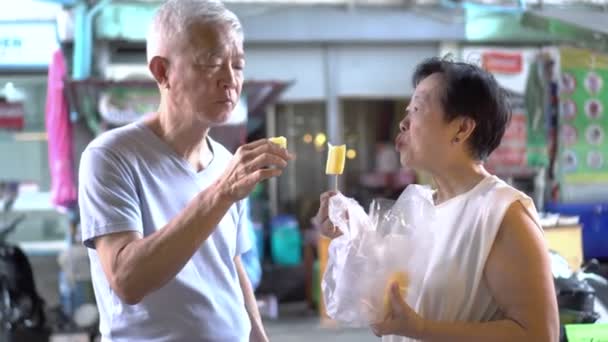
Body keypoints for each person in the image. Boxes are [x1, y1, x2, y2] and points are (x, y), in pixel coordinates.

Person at [78, 1, 293, 341]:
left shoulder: (224, 161)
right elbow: (127, 280)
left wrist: (259, 336)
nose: (230, 80)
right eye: (210, 62)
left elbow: (228, 264)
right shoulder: (112, 156)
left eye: (237, 65)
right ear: (162, 72)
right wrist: (221, 194)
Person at [315, 57, 559, 341]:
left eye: (417, 109)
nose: (403, 123)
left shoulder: (501, 212)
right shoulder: (416, 207)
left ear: (462, 128)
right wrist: (350, 235)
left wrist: (420, 330)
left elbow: (540, 334)